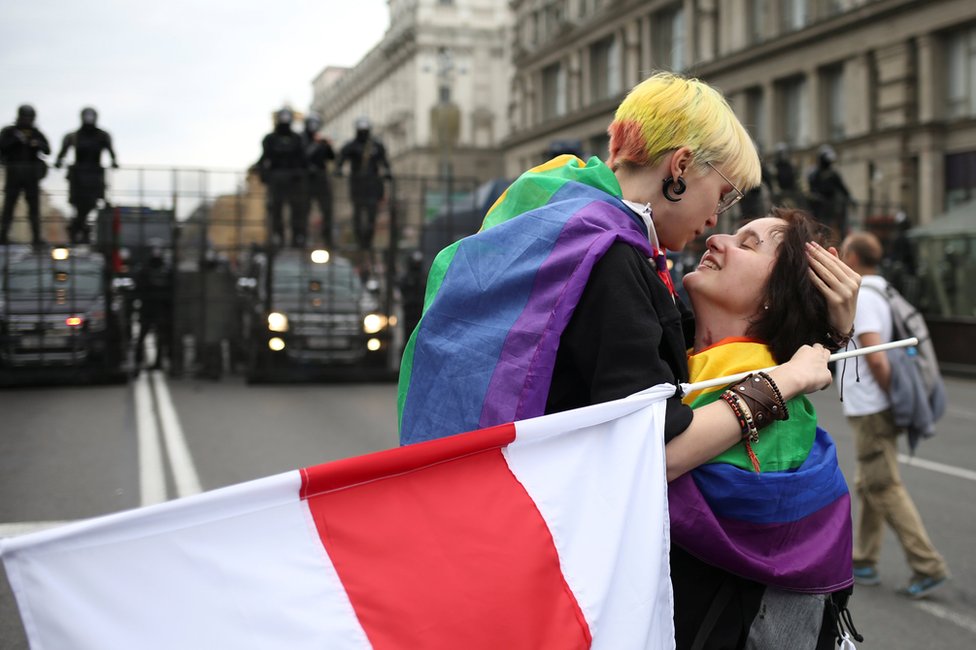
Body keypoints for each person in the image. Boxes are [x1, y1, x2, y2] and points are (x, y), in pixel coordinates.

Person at [397, 73, 861, 648]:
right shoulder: (613, 257)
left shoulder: (570, 222)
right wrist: (783, 382)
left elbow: (710, 342)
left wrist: (831, 334)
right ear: (682, 166)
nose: (717, 220)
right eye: (724, 194)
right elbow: (651, 447)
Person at [837, 231, 949, 599]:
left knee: (883, 485)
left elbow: (876, 355)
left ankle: (927, 565)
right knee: (871, 481)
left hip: (873, 406)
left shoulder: (865, 298)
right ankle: (864, 559)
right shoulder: (884, 290)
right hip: (877, 403)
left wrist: (890, 398)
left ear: (852, 256)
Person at [55, 107, 119, 244]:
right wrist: (59, 161)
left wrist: (114, 161)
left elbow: (111, 152)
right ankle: (81, 230)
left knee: (90, 205)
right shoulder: (74, 136)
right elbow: (63, 152)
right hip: (78, 177)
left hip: (94, 177)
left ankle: (78, 229)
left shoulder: (102, 136)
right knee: (79, 206)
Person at [335, 117, 391, 255]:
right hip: (357, 184)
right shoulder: (352, 145)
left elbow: (384, 161)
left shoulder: (376, 146)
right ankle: (360, 241)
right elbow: (341, 158)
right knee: (358, 213)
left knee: (372, 214)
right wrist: (339, 169)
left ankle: (368, 241)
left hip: (373, 185)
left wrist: (388, 172)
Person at [0, 104, 50, 246]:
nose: (27, 120)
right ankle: (3, 235)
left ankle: (36, 237)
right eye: (25, 117)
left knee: (33, 208)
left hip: (31, 176)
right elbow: (2, 147)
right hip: (14, 174)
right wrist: (16, 140)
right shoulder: (10, 131)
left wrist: (36, 144)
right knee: (9, 206)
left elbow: (47, 149)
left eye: (29, 117)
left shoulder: (36, 133)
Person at [258, 107, 307, 248]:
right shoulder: (270, 138)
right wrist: (264, 174)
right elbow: (265, 157)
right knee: (276, 209)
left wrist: (302, 172)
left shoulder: (297, 138)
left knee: (297, 209)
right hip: (277, 178)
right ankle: (278, 236)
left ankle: (298, 236)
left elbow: (302, 158)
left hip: (293, 179)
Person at [134, 245, 173, 372]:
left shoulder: (145, 271)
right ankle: (148, 361)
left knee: (146, 337)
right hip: (156, 309)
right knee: (157, 338)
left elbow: (138, 289)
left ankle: (140, 361)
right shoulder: (163, 272)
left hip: (150, 309)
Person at [301, 112, 336, 247]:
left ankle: (327, 236)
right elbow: (300, 157)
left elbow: (331, 157)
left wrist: (327, 145)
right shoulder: (301, 140)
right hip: (306, 180)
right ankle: (302, 236)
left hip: (321, 179)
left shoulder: (321, 141)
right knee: (304, 209)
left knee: (327, 209)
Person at [808, 145, 854, 238]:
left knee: (840, 223)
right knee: (821, 225)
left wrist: (849, 197)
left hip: (832, 203)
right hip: (820, 206)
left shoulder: (833, 173)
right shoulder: (814, 174)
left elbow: (842, 187)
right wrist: (815, 197)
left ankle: (842, 235)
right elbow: (811, 190)